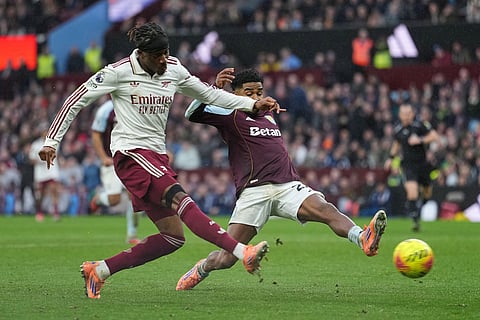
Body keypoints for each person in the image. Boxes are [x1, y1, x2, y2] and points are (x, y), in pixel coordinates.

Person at [37, 22, 279, 299]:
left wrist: (251, 104)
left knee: (173, 237)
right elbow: (75, 100)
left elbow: (209, 95)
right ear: (141, 53)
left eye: (166, 52)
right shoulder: (117, 72)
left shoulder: (174, 68)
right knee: (181, 199)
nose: (163, 59)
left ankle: (100, 270)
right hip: (131, 154)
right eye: (157, 55)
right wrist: (51, 141)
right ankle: (242, 252)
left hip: (156, 155)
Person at [176, 68, 387, 291]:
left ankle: (362, 237)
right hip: (254, 190)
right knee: (226, 259)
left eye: (259, 92)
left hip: (287, 184)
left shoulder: (268, 113)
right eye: (249, 92)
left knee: (326, 209)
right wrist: (216, 89)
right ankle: (202, 268)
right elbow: (191, 114)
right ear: (235, 93)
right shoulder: (228, 113)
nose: (255, 97)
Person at [90, 99, 141, 244]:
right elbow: (95, 134)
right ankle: (98, 198)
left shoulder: (136, 104)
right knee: (115, 199)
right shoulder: (105, 110)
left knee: (136, 196)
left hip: (131, 158)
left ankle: (132, 234)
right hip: (111, 159)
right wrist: (103, 157)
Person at [384, 103, 439, 232]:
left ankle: (419, 204)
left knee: (427, 193)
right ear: (400, 115)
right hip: (408, 166)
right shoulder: (398, 130)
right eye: (404, 113)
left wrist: (420, 139)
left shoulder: (420, 125)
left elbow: (434, 136)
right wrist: (390, 158)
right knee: (412, 191)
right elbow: (396, 145)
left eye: (408, 113)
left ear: (413, 114)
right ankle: (415, 220)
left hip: (423, 165)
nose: (406, 116)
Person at [29, 127, 61, 222]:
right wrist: (40, 160)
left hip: (51, 170)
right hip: (40, 172)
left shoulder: (54, 142)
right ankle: (39, 212)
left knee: (54, 191)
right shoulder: (35, 144)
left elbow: (54, 155)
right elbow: (32, 159)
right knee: (40, 194)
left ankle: (55, 213)